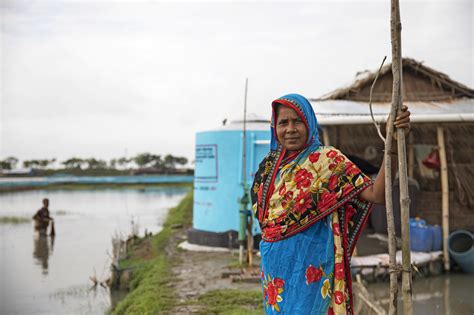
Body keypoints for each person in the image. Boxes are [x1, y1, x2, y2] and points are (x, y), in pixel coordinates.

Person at [251, 94, 410, 314]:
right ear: (274, 126)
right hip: (275, 270)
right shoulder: (267, 169)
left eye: (297, 121)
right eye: (283, 123)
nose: (290, 129)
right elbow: (265, 221)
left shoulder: (329, 161)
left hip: (311, 270)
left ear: (309, 122)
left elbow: (377, 194)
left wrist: (392, 141)